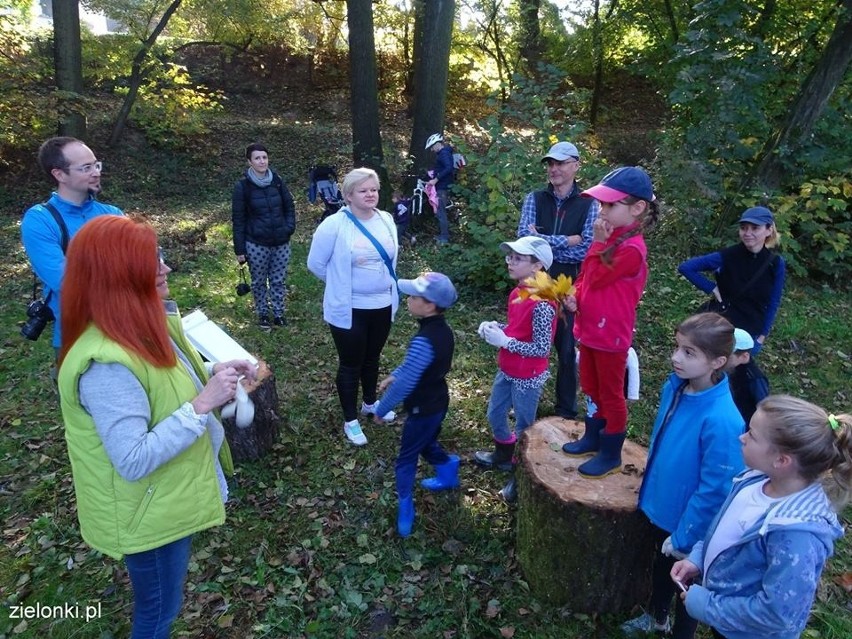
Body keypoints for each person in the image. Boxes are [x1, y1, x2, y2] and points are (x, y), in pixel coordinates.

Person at [56, 216, 257, 639]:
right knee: (158, 613)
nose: (166, 268)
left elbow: (163, 381)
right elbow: (132, 459)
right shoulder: (106, 364)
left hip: (163, 500)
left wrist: (211, 369)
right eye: (152, 261)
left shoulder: (141, 326)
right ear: (120, 276)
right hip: (145, 513)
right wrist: (204, 403)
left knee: (164, 603)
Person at [672, 396, 850, 639]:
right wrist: (699, 557)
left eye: (752, 435)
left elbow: (778, 614)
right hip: (727, 619)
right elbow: (725, 529)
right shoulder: (754, 479)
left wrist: (709, 606)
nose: (741, 437)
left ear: (781, 460)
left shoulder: (797, 533)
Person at [621, 313, 745, 638]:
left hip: (689, 523)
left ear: (718, 361)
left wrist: (686, 535)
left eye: (689, 353)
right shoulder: (676, 387)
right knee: (662, 568)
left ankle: (681, 633)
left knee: (685, 584)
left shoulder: (722, 420)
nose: (676, 357)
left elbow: (716, 490)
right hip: (662, 505)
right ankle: (657, 616)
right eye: (677, 347)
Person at [560, 166, 657, 477]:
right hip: (589, 329)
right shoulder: (611, 239)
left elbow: (599, 276)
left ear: (637, 208)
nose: (602, 211)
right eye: (601, 204)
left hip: (611, 335)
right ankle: (592, 434)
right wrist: (575, 294)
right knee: (590, 385)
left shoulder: (631, 249)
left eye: (610, 205)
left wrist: (598, 244)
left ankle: (611, 451)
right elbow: (586, 277)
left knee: (611, 394)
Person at [307, 167, 399, 446]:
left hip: (382, 304)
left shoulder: (386, 220)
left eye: (374, 189)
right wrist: (341, 283)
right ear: (348, 195)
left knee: (372, 358)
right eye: (363, 190)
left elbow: (391, 258)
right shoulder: (334, 225)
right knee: (351, 364)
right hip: (350, 308)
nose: (370, 194)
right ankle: (351, 420)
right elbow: (315, 264)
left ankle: (370, 403)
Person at [371, 272, 458, 537]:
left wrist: (381, 408)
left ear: (429, 305)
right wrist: (396, 372)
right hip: (438, 401)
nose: (407, 299)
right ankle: (448, 470)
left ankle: (405, 506)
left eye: (413, 296)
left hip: (423, 409)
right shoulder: (441, 330)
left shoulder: (423, 340)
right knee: (426, 441)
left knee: (406, 458)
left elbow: (407, 383)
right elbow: (412, 368)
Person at [518, 141, 599, 420]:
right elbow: (524, 243)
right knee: (527, 341)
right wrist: (566, 239)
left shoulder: (589, 203)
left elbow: (587, 247)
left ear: (576, 165)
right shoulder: (535, 199)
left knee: (566, 348)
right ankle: (524, 400)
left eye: (560, 163)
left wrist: (542, 241)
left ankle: (565, 411)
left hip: (569, 283)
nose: (554, 169)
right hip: (535, 281)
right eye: (550, 163)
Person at [473, 236, 557, 502]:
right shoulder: (518, 291)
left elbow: (541, 348)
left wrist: (506, 341)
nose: (510, 261)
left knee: (524, 426)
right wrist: (496, 327)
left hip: (528, 376)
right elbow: (517, 328)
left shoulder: (543, 303)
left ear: (537, 266)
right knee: (495, 414)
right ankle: (503, 455)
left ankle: (521, 477)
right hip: (507, 367)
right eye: (510, 256)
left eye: (518, 258)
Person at [21, 136, 123, 351]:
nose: (96, 172)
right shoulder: (40, 220)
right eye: (86, 168)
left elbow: (145, 265)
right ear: (59, 174)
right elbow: (68, 282)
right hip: (78, 337)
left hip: (125, 327)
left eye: (96, 164)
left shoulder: (112, 214)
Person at [678, 206, 785, 355]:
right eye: (744, 228)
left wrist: (761, 337)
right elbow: (687, 267)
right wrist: (712, 288)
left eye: (755, 228)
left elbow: (773, 301)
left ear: (769, 230)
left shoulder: (776, 263)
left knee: (736, 376)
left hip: (750, 335)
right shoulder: (727, 256)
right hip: (719, 330)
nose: (748, 233)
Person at [231, 143, 297, 330]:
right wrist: (240, 249)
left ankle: (278, 313)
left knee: (278, 279)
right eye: (257, 158)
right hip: (256, 243)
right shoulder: (242, 187)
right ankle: (263, 314)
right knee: (259, 281)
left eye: (264, 157)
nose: (262, 161)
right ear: (249, 161)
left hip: (280, 241)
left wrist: (289, 228)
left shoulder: (277, 181)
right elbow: (238, 218)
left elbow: (289, 206)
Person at [725, 328, 770, 425]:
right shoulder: (726, 368)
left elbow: (764, 407)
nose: (722, 358)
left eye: (728, 356)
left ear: (744, 356)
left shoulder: (755, 379)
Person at [583, 345, 640, 418]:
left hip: (616, 390)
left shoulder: (628, 351)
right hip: (596, 387)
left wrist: (632, 395)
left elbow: (633, 373)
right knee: (594, 412)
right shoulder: (594, 345)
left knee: (613, 413)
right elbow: (583, 358)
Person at [425, 133, 455, 244]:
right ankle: (443, 235)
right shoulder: (443, 154)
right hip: (441, 186)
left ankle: (444, 238)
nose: (432, 150)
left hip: (443, 187)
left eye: (432, 147)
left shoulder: (444, 154)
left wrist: (436, 179)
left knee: (441, 212)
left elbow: (448, 168)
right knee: (439, 212)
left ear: (437, 144)